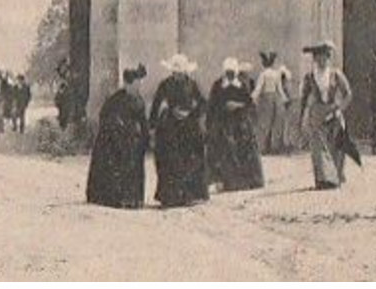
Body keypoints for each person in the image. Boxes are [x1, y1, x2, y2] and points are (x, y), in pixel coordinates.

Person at [86, 65, 151, 208]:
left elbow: (143, 120)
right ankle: (116, 198)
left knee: (135, 167)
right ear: (127, 84)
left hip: (133, 140)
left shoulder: (139, 100)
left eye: (139, 84)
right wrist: (118, 127)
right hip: (115, 141)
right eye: (135, 84)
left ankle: (134, 199)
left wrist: (146, 138)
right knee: (117, 167)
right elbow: (105, 116)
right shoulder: (115, 100)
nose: (138, 87)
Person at [150, 53, 209, 207]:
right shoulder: (165, 84)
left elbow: (203, 103)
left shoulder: (192, 84)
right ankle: (170, 197)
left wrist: (191, 113)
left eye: (180, 73)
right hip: (170, 127)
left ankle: (189, 195)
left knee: (190, 160)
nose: (177, 76)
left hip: (189, 127)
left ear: (185, 72)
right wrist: (152, 125)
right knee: (170, 160)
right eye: (175, 73)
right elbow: (156, 104)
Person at [298, 41, 353, 189]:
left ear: (328, 58)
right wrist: (302, 117)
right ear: (315, 60)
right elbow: (303, 99)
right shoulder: (309, 77)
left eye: (324, 58)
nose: (321, 61)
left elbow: (348, 94)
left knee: (338, 144)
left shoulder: (336, 74)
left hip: (334, 111)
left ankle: (336, 176)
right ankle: (323, 179)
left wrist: (340, 109)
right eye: (318, 58)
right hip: (316, 113)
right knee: (318, 147)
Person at [207, 58, 264, 192]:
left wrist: (237, 105)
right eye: (228, 72)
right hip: (223, 123)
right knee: (224, 150)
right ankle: (226, 182)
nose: (230, 75)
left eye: (232, 73)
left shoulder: (241, 85)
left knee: (243, 150)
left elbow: (249, 103)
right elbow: (211, 104)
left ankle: (245, 181)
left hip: (240, 123)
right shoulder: (218, 85)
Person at [252, 51, 293, 154]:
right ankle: (272, 147)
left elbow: (259, 88)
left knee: (264, 123)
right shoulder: (275, 74)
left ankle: (263, 147)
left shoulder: (263, 74)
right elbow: (279, 89)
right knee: (274, 123)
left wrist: (252, 98)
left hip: (266, 98)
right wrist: (284, 99)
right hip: (274, 98)